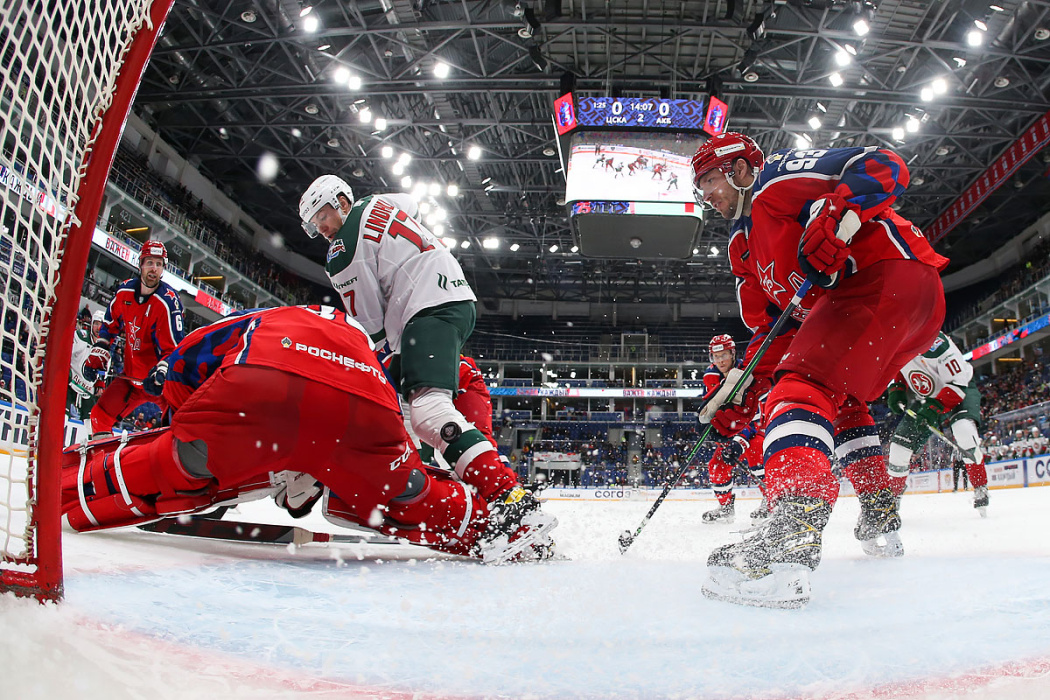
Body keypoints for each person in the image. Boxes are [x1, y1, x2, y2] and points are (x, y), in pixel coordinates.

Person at [60, 305, 558, 564]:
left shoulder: (266, 319)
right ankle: (512, 536)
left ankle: (57, 491)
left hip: (262, 379)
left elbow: (187, 359)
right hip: (362, 410)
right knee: (408, 496)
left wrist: (182, 431)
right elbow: (452, 381)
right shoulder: (376, 354)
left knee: (181, 461)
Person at [691, 132, 949, 608]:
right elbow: (776, 326)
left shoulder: (773, 181)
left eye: (709, 179)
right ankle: (878, 513)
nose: (705, 194)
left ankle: (792, 531)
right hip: (903, 302)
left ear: (739, 169)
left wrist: (838, 217)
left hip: (885, 274)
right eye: (699, 186)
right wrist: (745, 388)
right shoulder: (741, 247)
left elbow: (883, 165)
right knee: (839, 398)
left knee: (800, 387)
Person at [297, 176, 533, 516]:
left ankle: (506, 497)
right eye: (312, 224)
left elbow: (370, 325)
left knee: (427, 413)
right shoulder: (382, 202)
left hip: (425, 308)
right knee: (409, 412)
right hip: (451, 297)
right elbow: (412, 204)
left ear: (342, 203)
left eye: (321, 216)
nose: (320, 228)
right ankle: (430, 497)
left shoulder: (342, 251)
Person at [85, 240, 185, 435]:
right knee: (99, 417)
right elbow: (109, 326)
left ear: (163, 268)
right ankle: (104, 463)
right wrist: (100, 351)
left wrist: (161, 374)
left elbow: (173, 351)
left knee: (175, 431)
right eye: (149, 263)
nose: (153, 269)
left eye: (158, 264)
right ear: (140, 264)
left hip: (160, 387)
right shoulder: (124, 292)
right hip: (130, 381)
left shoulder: (168, 303)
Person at [886, 331, 989, 515]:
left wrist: (934, 408)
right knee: (898, 449)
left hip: (959, 390)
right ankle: (893, 499)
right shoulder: (894, 338)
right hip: (927, 397)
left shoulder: (938, 346)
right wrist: (898, 387)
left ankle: (980, 486)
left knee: (964, 432)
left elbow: (958, 385)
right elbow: (901, 367)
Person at [696, 334, 768, 524]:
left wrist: (739, 440)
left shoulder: (746, 373)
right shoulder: (710, 377)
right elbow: (710, 408)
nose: (720, 361)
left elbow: (754, 415)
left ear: (733, 353)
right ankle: (725, 508)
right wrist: (710, 428)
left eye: (724, 355)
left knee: (757, 455)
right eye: (715, 357)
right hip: (731, 430)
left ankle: (771, 501)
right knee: (717, 465)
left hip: (753, 429)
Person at [68, 309, 107, 421]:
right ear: (91, 324)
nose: (98, 328)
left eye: (101, 325)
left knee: (91, 425)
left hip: (87, 391)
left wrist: (100, 383)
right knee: (62, 419)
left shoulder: (105, 350)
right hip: (71, 384)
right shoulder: (80, 337)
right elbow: (65, 354)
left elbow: (103, 373)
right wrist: (67, 372)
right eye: (96, 324)